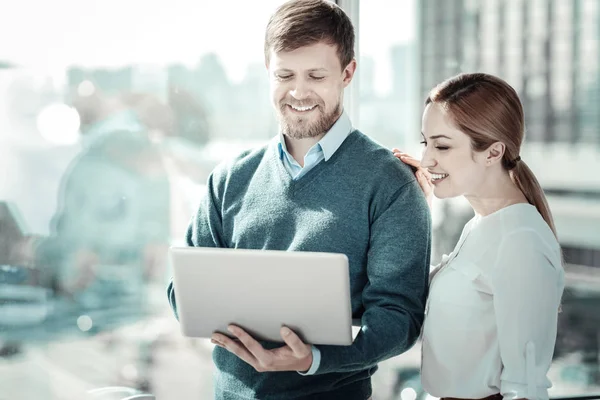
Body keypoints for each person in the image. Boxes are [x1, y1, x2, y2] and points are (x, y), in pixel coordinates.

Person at [166, 1, 431, 399]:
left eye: (316, 76)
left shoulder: (390, 184)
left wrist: (313, 360)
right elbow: (182, 290)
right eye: (285, 75)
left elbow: (399, 317)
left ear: (347, 73)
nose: (298, 92)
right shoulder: (229, 178)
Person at [394, 72, 565, 400]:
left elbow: (525, 389)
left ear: (492, 152)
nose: (428, 158)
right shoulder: (481, 226)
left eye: (442, 145)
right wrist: (414, 207)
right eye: (425, 143)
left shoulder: (520, 242)